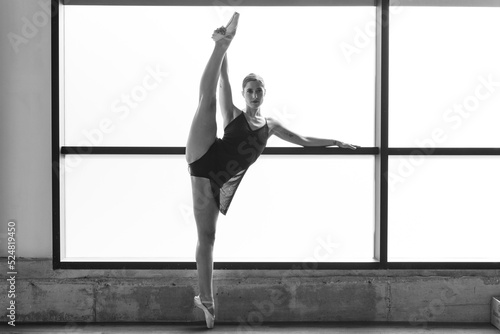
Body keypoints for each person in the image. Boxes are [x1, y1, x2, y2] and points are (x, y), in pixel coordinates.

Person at [185, 12, 357, 328]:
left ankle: (206, 301)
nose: (253, 94)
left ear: (264, 93)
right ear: (244, 94)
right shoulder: (232, 113)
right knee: (206, 101)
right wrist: (224, 50)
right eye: (249, 90)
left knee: (207, 237)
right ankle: (221, 43)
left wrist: (334, 141)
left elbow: (303, 139)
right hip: (204, 153)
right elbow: (223, 80)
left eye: (258, 90)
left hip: (219, 178)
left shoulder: (271, 126)